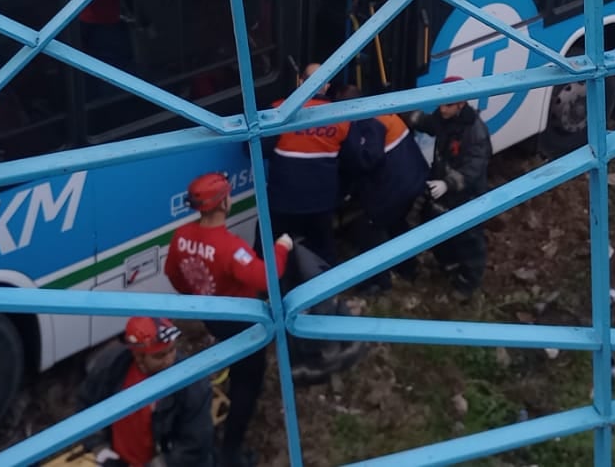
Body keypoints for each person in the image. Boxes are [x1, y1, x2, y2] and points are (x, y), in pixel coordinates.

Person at [166, 171, 292, 467]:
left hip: (212, 316)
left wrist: (198, 297)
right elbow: (266, 275)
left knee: (237, 364)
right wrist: (282, 247)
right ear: (223, 203)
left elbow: (173, 274)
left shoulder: (181, 237)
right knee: (247, 382)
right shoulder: (230, 247)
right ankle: (231, 452)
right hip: (244, 325)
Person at [75, 316, 216, 467]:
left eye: (172, 350)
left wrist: (159, 464)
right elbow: (86, 406)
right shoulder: (111, 368)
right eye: (159, 356)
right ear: (138, 356)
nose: (169, 360)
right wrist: (101, 449)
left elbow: (195, 443)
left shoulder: (192, 385)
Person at [261, 62, 361, 265]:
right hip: (320, 204)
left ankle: (273, 291)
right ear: (326, 86)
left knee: (269, 251)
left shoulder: (277, 111)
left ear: (300, 82)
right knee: (323, 251)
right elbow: (354, 159)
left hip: (282, 201)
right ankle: (322, 292)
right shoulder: (341, 117)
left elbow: (254, 149)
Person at [335, 83, 431, 294]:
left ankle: (379, 282)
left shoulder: (369, 122)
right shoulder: (380, 111)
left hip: (395, 186)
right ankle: (409, 268)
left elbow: (368, 159)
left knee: (368, 228)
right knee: (397, 224)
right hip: (412, 177)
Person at [408, 77, 493, 299]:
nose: (441, 109)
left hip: (467, 196)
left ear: (460, 105)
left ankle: (467, 283)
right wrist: (407, 115)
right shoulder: (444, 118)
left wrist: (448, 183)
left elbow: (474, 168)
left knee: (468, 238)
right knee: (436, 227)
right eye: (441, 103)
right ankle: (449, 265)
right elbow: (429, 124)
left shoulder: (475, 132)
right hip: (443, 189)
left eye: (447, 105)